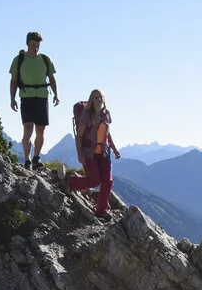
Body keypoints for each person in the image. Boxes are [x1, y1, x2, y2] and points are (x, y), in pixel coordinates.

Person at [7, 31, 59, 169]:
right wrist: (12, 99)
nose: (35, 48)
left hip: (42, 96)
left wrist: (56, 95)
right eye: (33, 45)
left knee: (40, 130)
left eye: (37, 45)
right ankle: (27, 160)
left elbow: (52, 79)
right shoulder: (18, 60)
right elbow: (13, 81)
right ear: (27, 44)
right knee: (28, 128)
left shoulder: (45, 59)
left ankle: (36, 157)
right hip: (26, 96)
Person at [66, 89, 121, 217]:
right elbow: (79, 136)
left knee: (108, 181)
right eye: (95, 97)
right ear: (91, 99)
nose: (98, 99)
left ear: (104, 99)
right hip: (89, 153)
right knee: (94, 180)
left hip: (104, 152)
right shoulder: (86, 114)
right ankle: (71, 182)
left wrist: (114, 148)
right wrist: (80, 155)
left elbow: (107, 133)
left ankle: (101, 210)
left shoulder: (106, 114)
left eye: (100, 97)